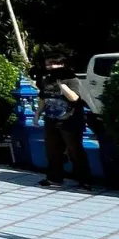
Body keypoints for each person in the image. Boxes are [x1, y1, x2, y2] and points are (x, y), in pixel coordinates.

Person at [37, 53, 93, 190]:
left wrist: (61, 84)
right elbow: (43, 98)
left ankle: (84, 180)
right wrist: (37, 114)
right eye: (48, 63)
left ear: (61, 64)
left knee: (75, 150)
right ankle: (54, 178)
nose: (50, 66)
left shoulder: (72, 79)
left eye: (53, 63)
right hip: (51, 119)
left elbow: (74, 98)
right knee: (53, 150)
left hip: (70, 119)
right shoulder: (46, 79)